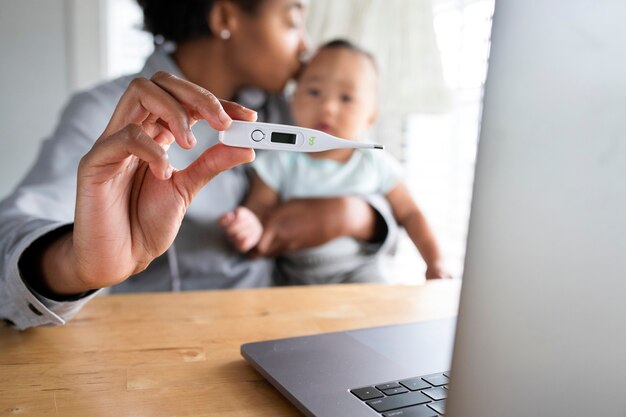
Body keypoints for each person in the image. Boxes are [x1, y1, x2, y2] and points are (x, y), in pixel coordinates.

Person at [0, 1, 399, 330]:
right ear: (226, 17)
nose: (305, 50)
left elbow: (367, 180)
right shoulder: (107, 117)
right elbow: (11, 237)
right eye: (293, 21)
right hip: (166, 342)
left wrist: (358, 215)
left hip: (281, 327)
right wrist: (78, 265)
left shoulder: (286, 109)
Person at [220, 40, 450, 284]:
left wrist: (435, 263)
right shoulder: (279, 160)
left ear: (371, 115)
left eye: (346, 98)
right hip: (294, 278)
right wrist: (249, 225)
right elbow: (259, 207)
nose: (328, 107)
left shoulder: (374, 163)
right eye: (314, 92)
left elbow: (411, 213)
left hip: (361, 272)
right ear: (293, 99)